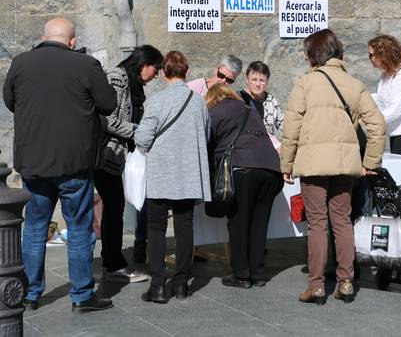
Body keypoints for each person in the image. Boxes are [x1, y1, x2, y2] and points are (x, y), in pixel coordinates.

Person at [2, 18, 116, 313]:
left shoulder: (21, 63)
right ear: (72, 41)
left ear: (43, 37)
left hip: (34, 164)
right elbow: (108, 104)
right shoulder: (86, 65)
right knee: (79, 229)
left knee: (35, 229)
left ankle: (30, 293)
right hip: (73, 163)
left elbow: (9, 101)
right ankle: (81, 295)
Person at [280, 29, 386, 305]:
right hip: (344, 165)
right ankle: (346, 281)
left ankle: (316, 285)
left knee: (317, 225)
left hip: (314, 165)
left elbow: (291, 128)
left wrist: (287, 163)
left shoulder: (305, 83)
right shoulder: (353, 83)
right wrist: (370, 162)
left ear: (313, 54)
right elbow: (377, 125)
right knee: (342, 222)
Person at [134, 51, 211, 304]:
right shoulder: (198, 101)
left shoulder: (156, 101)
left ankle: (157, 286)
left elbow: (143, 138)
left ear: (164, 73)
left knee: (156, 229)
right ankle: (181, 284)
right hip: (188, 175)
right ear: (186, 72)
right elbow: (207, 133)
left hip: (161, 175)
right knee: (184, 227)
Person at [95, 45, 163, 283]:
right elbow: (109, 120)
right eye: (155, 69)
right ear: (144, 64)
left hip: (117, 154)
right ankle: (113, 263)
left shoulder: (131, 82)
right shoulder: (117, 78)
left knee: (114, 206)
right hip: (105, 154)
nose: (156, 75)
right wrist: (140, 132)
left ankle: (110, 259)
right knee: (114, 206)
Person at [206, 84, 283, 288]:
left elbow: (207, 143)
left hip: (243, 168)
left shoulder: (214, 111)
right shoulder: (249, 110)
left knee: (239, 223)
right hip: (271, 170)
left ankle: (241, 275)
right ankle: (257, 273)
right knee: (259, 224)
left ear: (212, 99)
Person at [238, 61, 285, 147]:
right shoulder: (238, 99)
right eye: (254, 79)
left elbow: (284, 125)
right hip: (244, 150)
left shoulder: (272, 101)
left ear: (267, 82)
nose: (257, 84)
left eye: (262, 80)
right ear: (247, 80)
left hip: (267, 149)